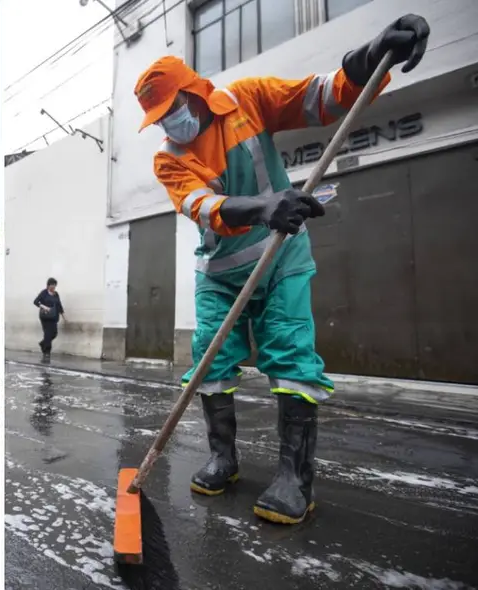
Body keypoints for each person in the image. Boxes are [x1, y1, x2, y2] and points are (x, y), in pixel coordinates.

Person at [134, 15, 429, 525]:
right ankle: (223, 457)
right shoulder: (169, 160)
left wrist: (372, 54)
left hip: (281, 259)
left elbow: (323, 98)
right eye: (160, 118)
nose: (169, 124)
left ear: (195, 92)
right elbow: (201, 206)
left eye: (172, 108)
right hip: (219, 271)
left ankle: (295, 480)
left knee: (290, 356)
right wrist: (263, 206)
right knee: (210, 361)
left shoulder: (248, 99)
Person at [33, 278, 65, 362]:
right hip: (45, 317)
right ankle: (47, 352)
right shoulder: (44, 293)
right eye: (52, 285)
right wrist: (44, 307)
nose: (53, 286)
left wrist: (63, 315)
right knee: (47, 334)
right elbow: (36, 302)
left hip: (54, 317)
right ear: (48, 285)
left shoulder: (56, 294)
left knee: (54, 333)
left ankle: (43, 343)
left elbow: (59, 305)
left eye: (55, 285)